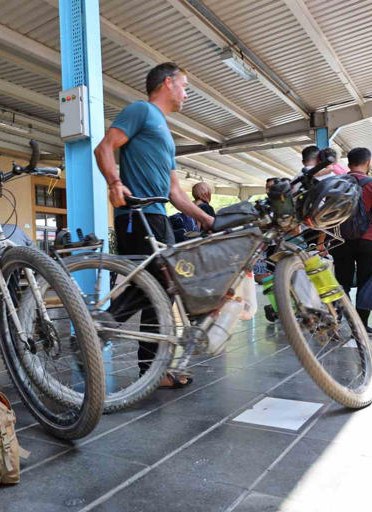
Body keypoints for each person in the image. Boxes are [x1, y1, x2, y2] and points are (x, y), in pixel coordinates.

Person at [95, 62, 213, 388]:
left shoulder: (166, 135)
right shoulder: (141, 112)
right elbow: (104, 147)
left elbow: (175, 193)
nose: (186, 93)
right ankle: (101, 331)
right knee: (154, 287)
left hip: (158, 217)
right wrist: (114, 182)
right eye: (184, 86)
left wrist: (206, 218)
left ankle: (149, 368)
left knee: (158, 292)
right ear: (166, 83)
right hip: (135, 215)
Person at [329, 147, 372, 337]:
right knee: (365, 283)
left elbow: (330, 216)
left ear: (348, 164)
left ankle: (338, 321)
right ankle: (361, 327)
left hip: (340, 240)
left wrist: (323, 242)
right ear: (368, 163)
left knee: (342, 283)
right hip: (366, 241)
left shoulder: (336, 183)